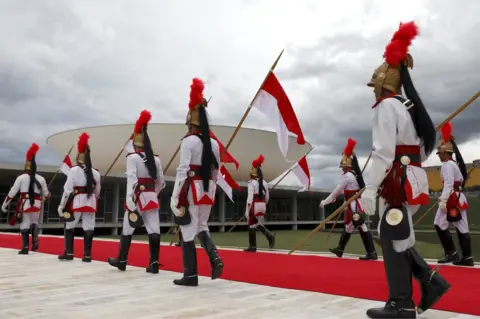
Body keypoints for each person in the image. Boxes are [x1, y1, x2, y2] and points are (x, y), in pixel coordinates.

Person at [360, 21, 450, 318]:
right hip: (412, 177)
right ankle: (429, 281)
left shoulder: (387, 106)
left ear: (385, 80)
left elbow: (384, 152)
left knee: (391, 235)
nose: (373, 89)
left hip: (396, 180)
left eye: (375, 83)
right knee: (397, 234)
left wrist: (370, 187)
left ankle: (402, 303)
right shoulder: (410, 107)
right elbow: (422, 149)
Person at [170, 77, 223, 287]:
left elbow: (182, 171)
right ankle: (215, 258)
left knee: (187, 230)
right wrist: (211, 189)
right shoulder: (215, 145)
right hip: (207, 190)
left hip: (192, 189)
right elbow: (216, 172)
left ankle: (190, 275)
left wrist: (175, 197)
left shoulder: (189, 141)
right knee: (201, 226)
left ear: (191, 122)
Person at [108, 110, 165, 274]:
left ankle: (122, 260)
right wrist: (154, 193)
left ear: (135, 144)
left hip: (137, 197)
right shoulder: (156, 159)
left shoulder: (132, 158)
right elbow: (160, 181)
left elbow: (131, 180)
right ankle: (153, 263)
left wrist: (130, 200)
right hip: (152, 197)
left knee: (127, 228)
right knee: (154, 229)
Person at [321, 138, 377, 260]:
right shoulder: (354, 175)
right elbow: (343, 190)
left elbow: (337, 190)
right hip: (354, 202)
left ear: (346, 166)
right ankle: (340, 250)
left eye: (343, 167)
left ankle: (371, 253)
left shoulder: (346, 176)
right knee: (350, 227)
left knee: (361, 226)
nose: (342, 169)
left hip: (353, 204)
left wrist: (325, 202)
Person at [434, 122, 473, 266]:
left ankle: (451, 253)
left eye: (440, 153)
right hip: (458, 196)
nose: (439, 156)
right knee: (462, 227)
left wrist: (443, 200)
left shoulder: (447, 165)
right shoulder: (454, 164)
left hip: (451, 197)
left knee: (438, 223)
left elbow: (449, 183)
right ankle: (467, 257)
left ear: (445, 153)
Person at [58, 133, 101, 262]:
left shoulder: (74, 170)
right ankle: (87, 255)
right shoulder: (96, 172)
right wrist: (93, 199)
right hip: (91, 202)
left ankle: (69, 253)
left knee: (70, 225)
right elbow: (97, 192)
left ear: (78, 156)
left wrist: (62, 205)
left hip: (77, 201)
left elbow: (67, 190)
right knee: (89, 227)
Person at [1, 143, 49, 254]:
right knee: (34, 222)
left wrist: (4, 204)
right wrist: (44, 198)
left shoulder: (21, 178)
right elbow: (46, 194)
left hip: (26, 203)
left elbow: (12, 192)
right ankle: (35, 241)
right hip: (37, 204)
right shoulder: (41, 178)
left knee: (25, 223)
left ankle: (25, 247)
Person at [244, 154, 275, 252]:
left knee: (251, 224)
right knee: (257, 224)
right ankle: (269, 236)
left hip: (254, 205)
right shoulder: (265, 183)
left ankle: (253, 246)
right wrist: (264, 204)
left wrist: (247, 210)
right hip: (262, 205)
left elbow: (249, 198)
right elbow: (267, 198)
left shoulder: (251, 183)